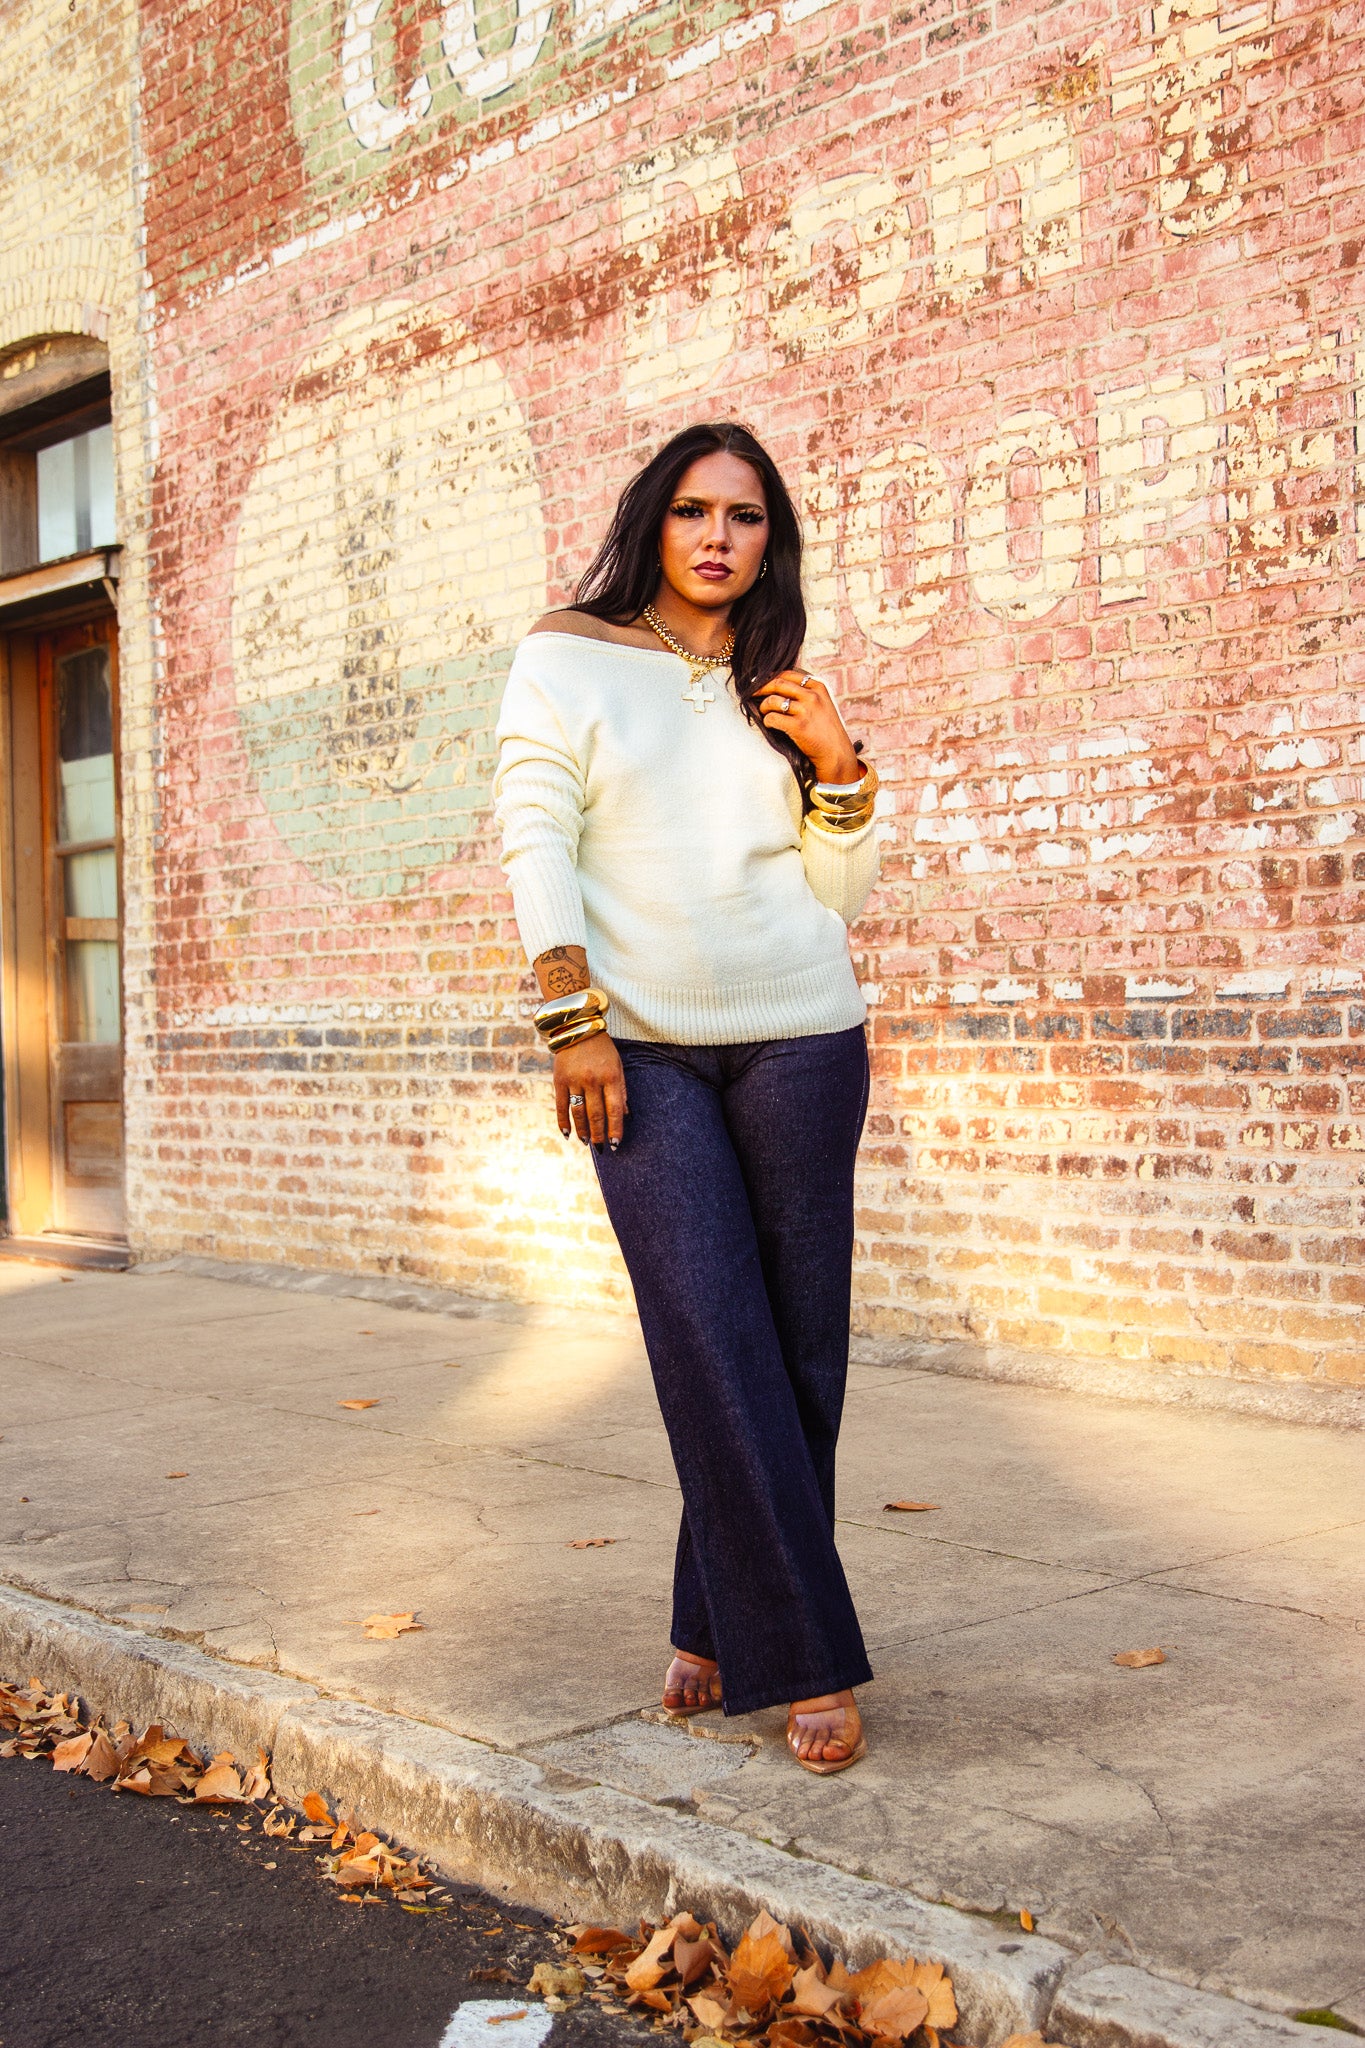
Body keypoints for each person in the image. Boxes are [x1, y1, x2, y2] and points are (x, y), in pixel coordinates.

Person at [493, 420, 880, 1773]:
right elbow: (535, 834)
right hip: (640, 1051)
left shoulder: (777, 684)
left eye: (747, 516)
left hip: (805, 1038)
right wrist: (571, 1020)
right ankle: (811, 1658)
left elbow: (839, 895)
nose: (719, 536)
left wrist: (838, 765)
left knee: (797, 1353)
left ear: (773, 541)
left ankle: (715, 1622)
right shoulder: (568, 655)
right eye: (695, 510)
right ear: (653, 519)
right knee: (713, 1340)